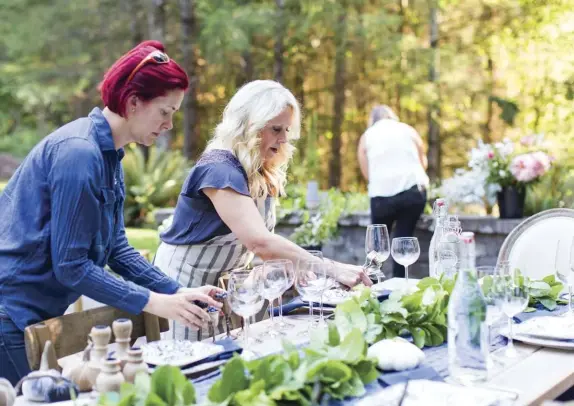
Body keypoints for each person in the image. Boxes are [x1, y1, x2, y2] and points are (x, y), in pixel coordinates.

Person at [0, 40, 224, 385]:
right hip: (9, 316)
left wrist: (174, 292)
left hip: (33, 317)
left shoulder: (109, 156)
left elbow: (117, 248)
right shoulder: (79, 154)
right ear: (134, 102)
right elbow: (71, 267)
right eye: (165, 112)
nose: (169, 125)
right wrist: (153, 302)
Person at [155, 80, 371, 341]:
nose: (283, 140)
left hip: (227, 290)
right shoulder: (218, 169)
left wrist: (290, 268)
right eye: (275, 129)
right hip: (184, 286)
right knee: (191, 368)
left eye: (287, 130)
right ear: (247, 127)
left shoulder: (257, 169)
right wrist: (332, 268)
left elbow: (258, 248)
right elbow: (260, 242)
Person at [357, 105, 429, 278]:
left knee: (376, 247)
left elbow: (366, 171)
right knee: (402, 239)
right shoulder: (408, 130)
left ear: (372, 120)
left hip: (381, 197)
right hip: (413, 192)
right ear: (392, 116)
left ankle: (371, 288)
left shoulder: (367, 136)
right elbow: (422, 162)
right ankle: (399, 284)